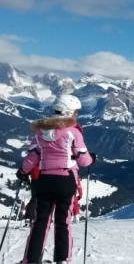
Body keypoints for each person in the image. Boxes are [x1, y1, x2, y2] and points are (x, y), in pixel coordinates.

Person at [16, 94, 96, 264]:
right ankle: (63, 260)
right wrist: (92, 159)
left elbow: (32, 157)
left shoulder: (40, 133)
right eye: (75, 112)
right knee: (63, 222)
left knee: (40, 222)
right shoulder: (73, 132)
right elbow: (83, 159)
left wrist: (23, 171)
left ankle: (30, 260)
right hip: (65, 180)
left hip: (44, 180)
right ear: (68, 111)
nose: (76, 115)